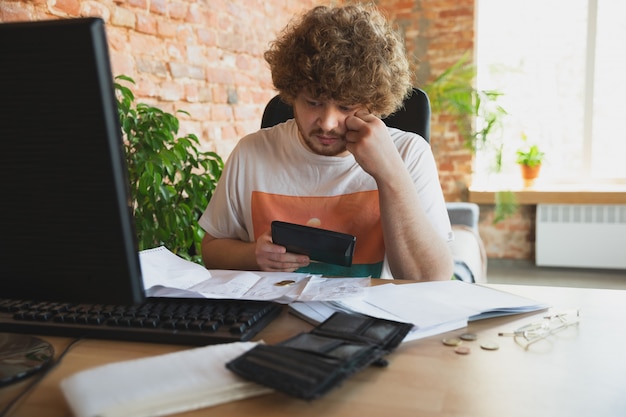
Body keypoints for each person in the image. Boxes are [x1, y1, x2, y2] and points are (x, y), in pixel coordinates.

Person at [198, 4, 454, 281]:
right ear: (292, 94)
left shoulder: (409, 153)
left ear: (373, 104)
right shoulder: (251, 153)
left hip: (370, 319)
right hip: (273, 319)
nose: (328, 122)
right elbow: (211, 250)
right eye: (313, 102)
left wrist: (389, 172)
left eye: (346, 107)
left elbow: (432, 279)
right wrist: (252, 256)